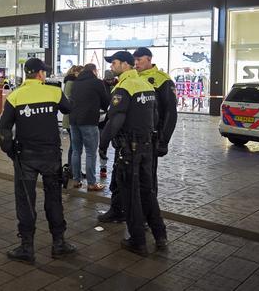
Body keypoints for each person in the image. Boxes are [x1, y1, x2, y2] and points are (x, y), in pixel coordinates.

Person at [0, 58, 77, 264]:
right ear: (40, 74)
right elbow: (69, 108)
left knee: (25, 201)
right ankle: (59, 243)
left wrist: (10, 151)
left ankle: (27, 247)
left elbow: (4, 129)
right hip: (51, 155)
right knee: (54, 198)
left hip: (26, 157)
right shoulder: (53, 92)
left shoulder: (15, 96)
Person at [98, 51, 166, 256]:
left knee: (130, 195)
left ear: (126, 65)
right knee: (147, 192)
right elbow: (155, 116)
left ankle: (138, 240)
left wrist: (103, 144)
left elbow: (116, 119)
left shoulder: (124, 87)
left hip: (129, 150)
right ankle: (160, 234)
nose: (112, 66)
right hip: (146, 147)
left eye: (115, 63)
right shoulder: (146, 85)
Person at [133, 47, 178, 193]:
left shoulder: (162, 79)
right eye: (134, 60)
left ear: (149, 59)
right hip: (132, 136)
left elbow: (171, 112)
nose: (136, 63)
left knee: (147, 178)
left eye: (139, 60)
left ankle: (149, 211)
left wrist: (164, 141)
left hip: (151, 137)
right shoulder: (133, 78)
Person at [69, 63, 110, 191]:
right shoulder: (96, 82)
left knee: (76, 151)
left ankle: (76, 180)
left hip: (73, 121)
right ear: (94, 71)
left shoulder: (76, 82)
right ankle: (91, 183)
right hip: (89, 121)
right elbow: (105, 102)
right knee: (91, 153)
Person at [62, 65, 81, 188]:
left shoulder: (72, 81)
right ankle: (71, 169)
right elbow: (68, 98)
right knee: (74, 146)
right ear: (76, 72)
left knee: (75, 146)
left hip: (71, 117)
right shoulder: (70, 82)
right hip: (70, 118)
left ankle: (74, 169)